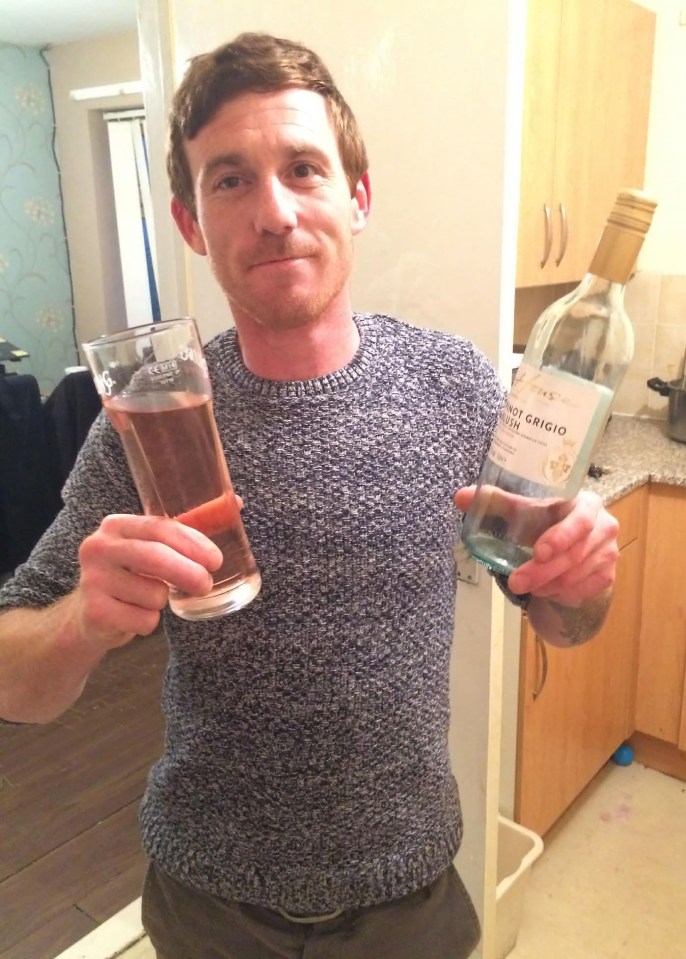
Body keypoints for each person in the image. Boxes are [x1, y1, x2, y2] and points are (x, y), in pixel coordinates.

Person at [0, 32, 619, 959]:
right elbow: (17, 680)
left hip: (411, 897)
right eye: (230, 180)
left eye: (303, 168)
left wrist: (577, 585)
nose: (275, 212)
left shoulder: (454, 386)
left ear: (357, 197)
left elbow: (561, 619)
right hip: (209, 908)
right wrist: (83, 620)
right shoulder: (150, 413)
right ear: (189, 221)